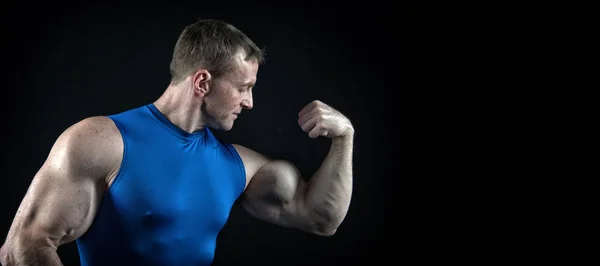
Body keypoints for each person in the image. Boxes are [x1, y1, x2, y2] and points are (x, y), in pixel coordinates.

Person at [0, 18, 354, 266]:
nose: (250, 102)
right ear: (202, 83)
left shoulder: (238, 166)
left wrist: (344, 138)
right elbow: (23, 246)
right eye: (243, 87)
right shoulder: (101, 142)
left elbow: (319, 217)